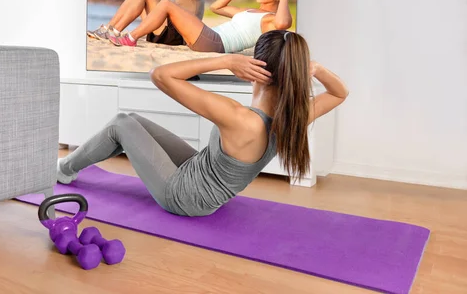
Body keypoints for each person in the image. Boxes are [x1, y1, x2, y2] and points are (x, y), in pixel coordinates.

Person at [57, 30, 349, 217]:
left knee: (121, 123)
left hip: (184, 197)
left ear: (254, 69)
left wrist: (224, 61)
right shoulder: (294, 116)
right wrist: (318, 69)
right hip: (202, 180)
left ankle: (65, 170)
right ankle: (73, 165)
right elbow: (339, 93)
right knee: (133, 120)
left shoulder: (240, 118)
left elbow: (160, 75)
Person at [109, 0, 297, 53]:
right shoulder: (249, 11)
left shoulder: (270, 19)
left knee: (166, 5)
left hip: (216, 43)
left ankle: (131, 38)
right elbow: (216, 7)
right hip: (208, 36)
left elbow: (283, 23)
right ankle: (120, 32)